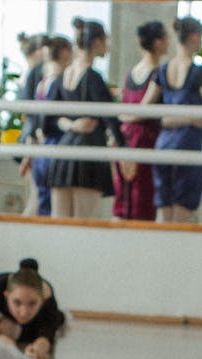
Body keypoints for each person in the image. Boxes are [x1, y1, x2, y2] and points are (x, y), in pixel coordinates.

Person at [140, 17, 202, 224]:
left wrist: (167, 118)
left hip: (164, 144)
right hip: (188, 144)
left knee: (164, 209)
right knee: (183, 210)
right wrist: (191, 119)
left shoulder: (163, 70)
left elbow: (144, 107)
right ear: (194, 36)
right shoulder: (198, 72)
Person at [46, 17, 123, 220]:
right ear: (97, 42)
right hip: (88, 155)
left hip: (64, 154)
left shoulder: (64, 76)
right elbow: (111, 118)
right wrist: (125, 153)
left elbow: (49, 118)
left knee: (60, 223)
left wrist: (71, 125)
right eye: (105, 40)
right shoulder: (92, 77)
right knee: (83, 224)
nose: (107, 46)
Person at [112, 20, 168, 222]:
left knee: (124, 197)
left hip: (125, 138)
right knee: (142, 198)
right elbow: (145, 109)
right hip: (146, 139)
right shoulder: (158, 74)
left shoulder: (131, 73)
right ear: (158, 42)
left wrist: (121, 117)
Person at [19, 35, 72, 217]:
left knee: (39, 203)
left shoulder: (43, 83)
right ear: (65, 53)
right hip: (52, 148)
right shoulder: (58, 82)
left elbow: (35, 120)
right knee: (47, 207)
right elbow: (49, 119)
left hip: (41, 148)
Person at [0, 258, 65, 359]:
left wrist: (40, 346)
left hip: (43, 317)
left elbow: (47, 333)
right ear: (6, 295)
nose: (23, 313)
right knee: (5, 329)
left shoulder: (48, 297)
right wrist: (1, 339)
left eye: (32, 303)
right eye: (17, 302)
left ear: (42, 299)